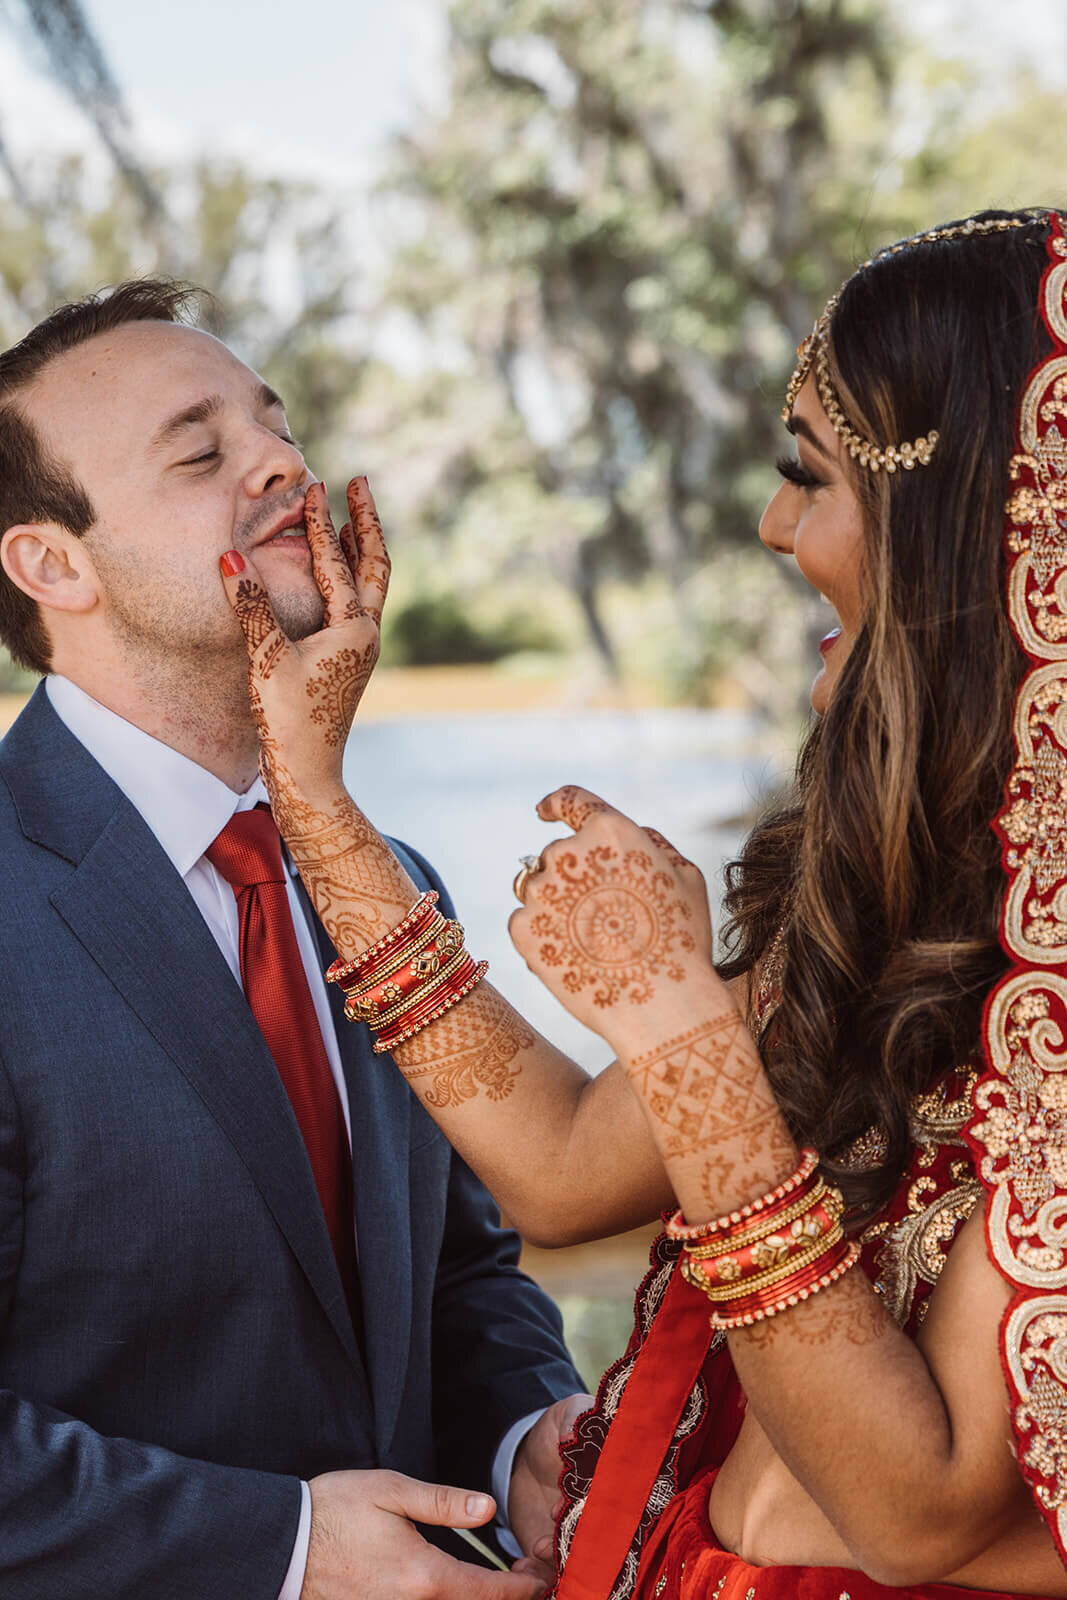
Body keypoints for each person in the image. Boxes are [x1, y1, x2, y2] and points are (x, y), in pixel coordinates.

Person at [225, 205, 1067, 1600]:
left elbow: (916, 1512)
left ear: (964, 530)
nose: (770, 521)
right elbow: (555, 1162)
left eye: (814, 478)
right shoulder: (900, 902)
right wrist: (312, 797)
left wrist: (683, 1034)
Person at [0, 281, 592, 1600]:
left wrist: (520, 1443)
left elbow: (457, 1269)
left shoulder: (388, 887)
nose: (283, 463)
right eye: (201, 454)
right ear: (52, 564)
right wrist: (285, 1548)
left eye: (274, 427)